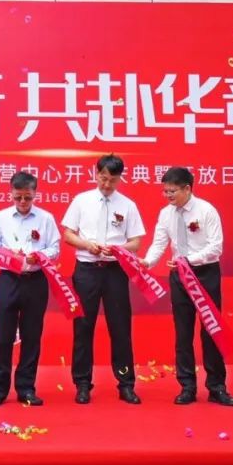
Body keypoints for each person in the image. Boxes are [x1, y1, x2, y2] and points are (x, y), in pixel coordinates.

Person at [141, 167, 233, 406]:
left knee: (211, 331)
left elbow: (216, 247)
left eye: (172, 191)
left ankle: (217, 387)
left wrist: (189, 260)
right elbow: (159, 243)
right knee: (183, 333)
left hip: (205, 274)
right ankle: (187, 387)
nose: (167, 196)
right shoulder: (166, 213)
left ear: (187, 188)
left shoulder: (206, 210)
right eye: (165, 191)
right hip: (179, 277)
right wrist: (147, 262)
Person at [61, 154, 145, 405]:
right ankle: (82, 384)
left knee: (120, 328)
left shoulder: (128, 205)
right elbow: (68, 234)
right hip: (86, 270)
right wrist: (87, 245)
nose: (107, 184)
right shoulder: (81, 200)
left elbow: (136, 242)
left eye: (112, 180)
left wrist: (119, 249)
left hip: (114, 272)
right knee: (83, 327)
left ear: (120, 179)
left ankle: (125, 383)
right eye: (103, 178)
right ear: (96, 173)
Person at [0, 172, 60, 407]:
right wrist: (9, 255)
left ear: (35, 193)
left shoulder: (46, 218)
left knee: (31, 335)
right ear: (11, 193)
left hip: (35, 280)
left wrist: (38, 255)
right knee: (2, 336)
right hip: (8, 279)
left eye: (27, 197)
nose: (23, 202)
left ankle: (26, 388)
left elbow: (55, 248)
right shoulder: (1, 217)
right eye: (18, 197)